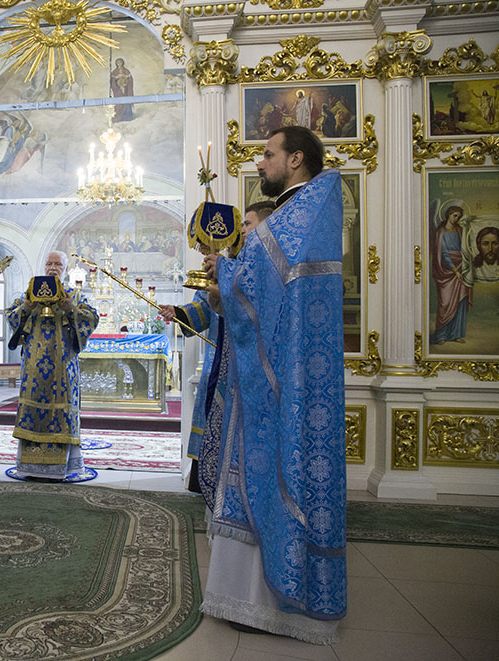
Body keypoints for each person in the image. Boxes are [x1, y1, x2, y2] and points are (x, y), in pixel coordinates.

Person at [201, 126, 346, 643]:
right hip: (273, 371)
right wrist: (228, 276)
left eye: (268, 154)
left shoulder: (303, 210)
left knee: (281, 463)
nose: (260, 163)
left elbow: (256, 282)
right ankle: (247, 598)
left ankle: (281, 603)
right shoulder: (297, 211)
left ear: (296, 158)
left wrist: (227, 271)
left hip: (284, 376)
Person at [162, 200, 274, 497]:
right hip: (220, 357)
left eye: (249, 224)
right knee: (214, 409)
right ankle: (209, 480)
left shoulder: (264, 265)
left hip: (250, 359)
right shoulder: (224, 263)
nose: (244, 230)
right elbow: (204, 307)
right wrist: (179, 313)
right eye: (243, 224)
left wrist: (223, 286)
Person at [5, 251, 99, 481]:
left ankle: (63, 468)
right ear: (44, 266)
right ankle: (29, 467)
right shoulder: (30, 293)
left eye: (58, 264)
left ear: (65, 269)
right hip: (34, 371)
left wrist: (70, 309)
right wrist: (26, 308)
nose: (53, 267)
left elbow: (92, 317)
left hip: (63, 369)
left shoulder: (73, 295)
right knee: (33, 412)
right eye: (49, 263)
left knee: (62, 412)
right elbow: (11, 316)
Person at [430, 205, 470, 344]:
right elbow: (443, 253)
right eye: (454, 216)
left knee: (460, 301)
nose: (456, 219)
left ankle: (456, 334)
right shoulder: (440, 232)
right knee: (445, 303)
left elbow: (466, 248)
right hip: (446, 271)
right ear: (448, 215)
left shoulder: (460, 230)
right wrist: (454, 270)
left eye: (458, 217)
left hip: (461, 268)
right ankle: (441, 335)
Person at [110, 58, 134, 122]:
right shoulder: (114, 72)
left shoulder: (126, 71)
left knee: (126, 102)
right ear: (116, 63)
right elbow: (112, 82)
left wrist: (126, 80)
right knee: (118, 104)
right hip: (118, 91)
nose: (119, 64)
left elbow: (130, 80)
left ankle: (128, 117)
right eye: (118, 62)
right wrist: (116, 79)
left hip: (126, 90)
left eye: (120, 62)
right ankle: (119, 117)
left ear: (122, 63)